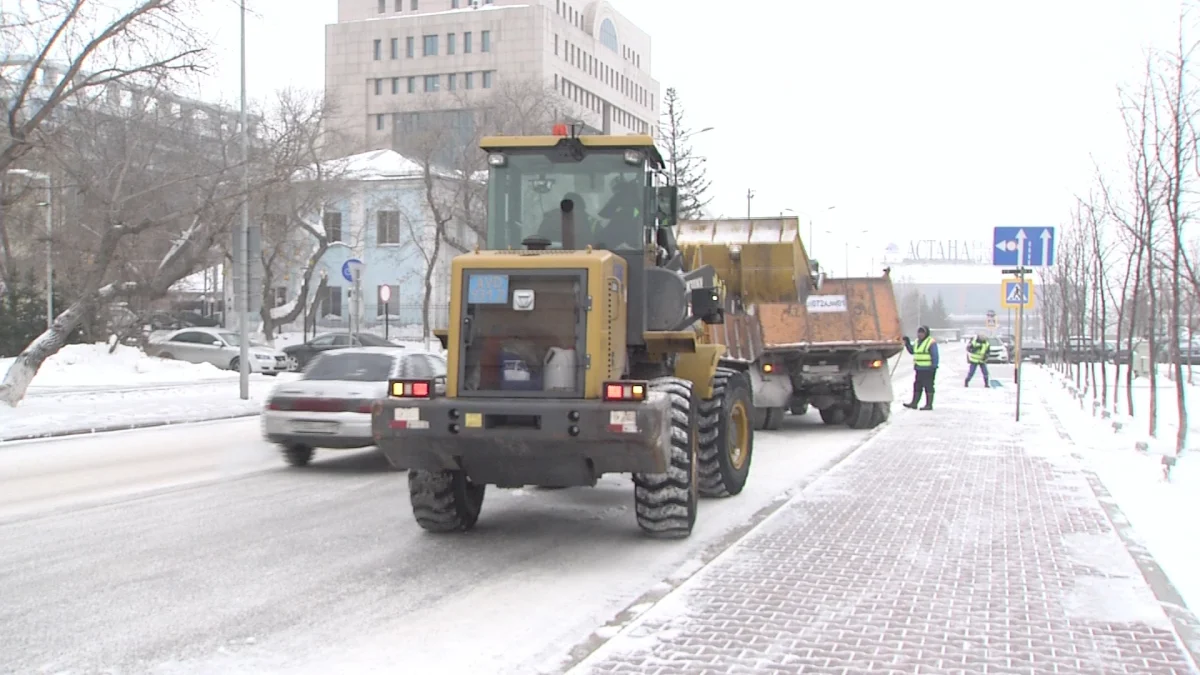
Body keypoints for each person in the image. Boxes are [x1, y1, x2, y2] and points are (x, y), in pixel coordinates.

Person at [902, 325, 938, 410]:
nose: (920, 334)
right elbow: (912, 351)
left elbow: (935, 355)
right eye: (919, 332)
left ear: (926, 333)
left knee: (928, 386)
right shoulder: (917, 342)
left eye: (922, 332)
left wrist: (934, 366)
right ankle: (914, 403)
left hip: (928, 369)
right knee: (917, 386)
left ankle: (929, 405)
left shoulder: (931, 342)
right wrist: (907, 343)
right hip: (919, 369)